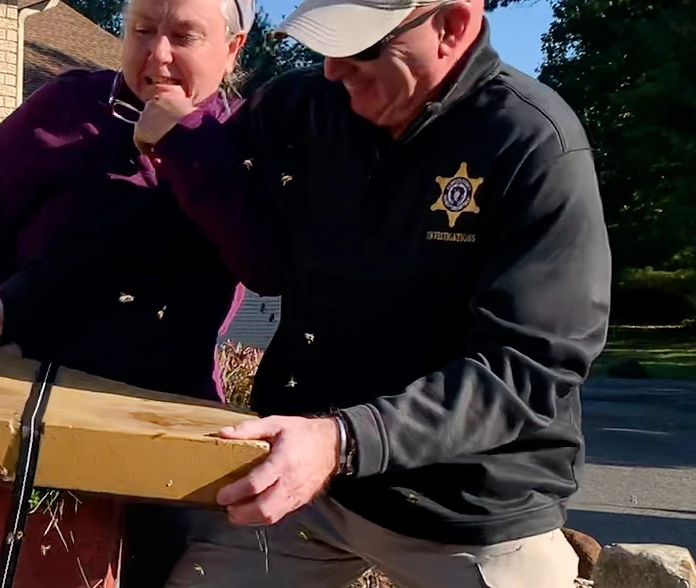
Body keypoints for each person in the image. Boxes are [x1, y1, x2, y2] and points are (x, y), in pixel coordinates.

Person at [129, 0, 613, 586]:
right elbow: (195, 186)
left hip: (469, 509)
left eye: (361, 48)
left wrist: (343, 440)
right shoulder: (303, 106)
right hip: (307, 492)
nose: (334, 69)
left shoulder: (531, 143)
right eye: (326, 45)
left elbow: (530, 367)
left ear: (451, 27)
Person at [0, 0, 254, 582]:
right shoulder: (65, 110)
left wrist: (182, 148)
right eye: (142, 31)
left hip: (171, 420)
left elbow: (255, 255)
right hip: (27, 402)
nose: (158, 55)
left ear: (233, 48)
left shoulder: (249, 141)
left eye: (184, 36)